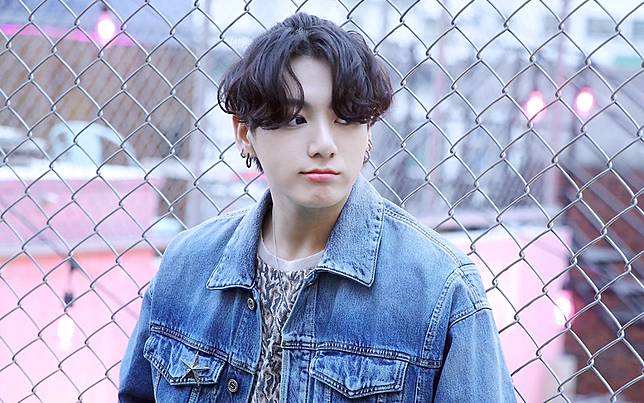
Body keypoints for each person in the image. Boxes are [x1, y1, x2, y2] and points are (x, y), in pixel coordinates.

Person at [118, 12, 516, 402]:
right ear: (244, 132)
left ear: (368, 130)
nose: (324, 144)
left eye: (346, 118)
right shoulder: (186, 267)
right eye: (296, 119)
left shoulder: (440, 287)